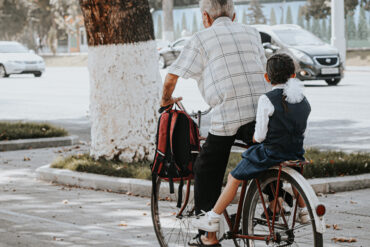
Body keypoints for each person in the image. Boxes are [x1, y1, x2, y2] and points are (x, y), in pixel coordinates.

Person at [160, 0, 270, 245]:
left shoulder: (201, 38)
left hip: (229, 113)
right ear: (234, 15)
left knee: (206, 167)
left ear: (205, 17)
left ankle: (206, 235)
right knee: (264, 151)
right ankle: (276, 202)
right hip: (264, 111)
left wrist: (166, 101)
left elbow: (171, 78)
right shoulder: (252, 33)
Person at [192, 54, 311, 246]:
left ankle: (212, 218)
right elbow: (302, 128)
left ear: (267, 77)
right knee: (296, 174)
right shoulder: (302, 99)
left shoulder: (267, 99)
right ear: (293, 75)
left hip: (271, 153)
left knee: (234, 177)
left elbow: (260, 136)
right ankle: (305, 211)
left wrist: (255, 139)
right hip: (295, 152)